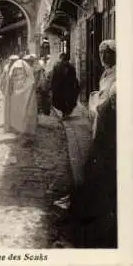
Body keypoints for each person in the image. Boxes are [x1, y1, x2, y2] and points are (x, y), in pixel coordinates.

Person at [70, 39, 117, 248]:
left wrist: (101, 102)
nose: (103, 57)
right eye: (101, 54)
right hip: (101, 118)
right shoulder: (106, 74)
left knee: (99, 164)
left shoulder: (118, 75)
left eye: (106, 54)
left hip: (111, 125)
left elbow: (113, 98)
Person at [4, 59, 37, 139]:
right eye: (15, 72)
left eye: (20, 71)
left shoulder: (28, 81)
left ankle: (24, 130)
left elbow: (31, 81)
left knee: (24, 111)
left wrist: (25, 88)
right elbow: (10, 83)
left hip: (24, 94)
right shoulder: (12, 76)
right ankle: (17, 129)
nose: (18, 73)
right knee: (16, 112)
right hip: (15, 95)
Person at [50, 53, 80, 119]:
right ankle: (65, 113)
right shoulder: (70, 66)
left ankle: (64, 113)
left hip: (62, 88)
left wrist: (52, 86)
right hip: (65, 88)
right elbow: (74, 78)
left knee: (60, 101)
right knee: (65, 101)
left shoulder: (58, 66)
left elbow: (53, 77)